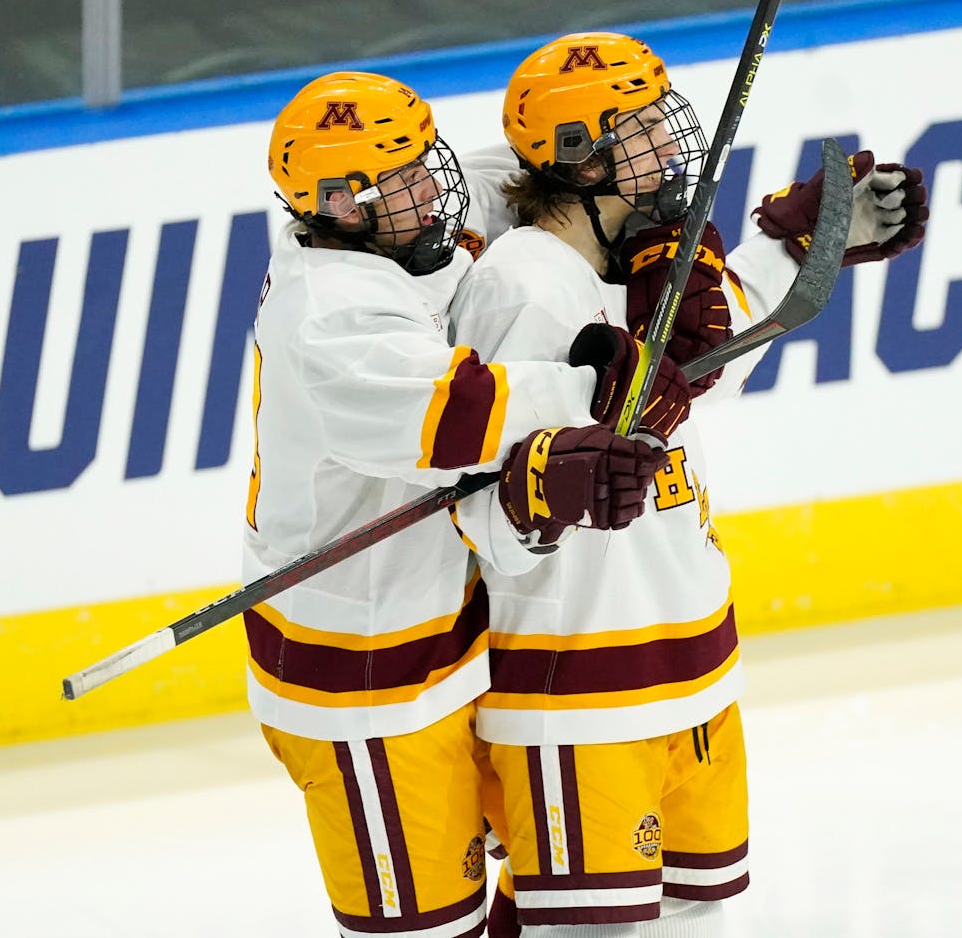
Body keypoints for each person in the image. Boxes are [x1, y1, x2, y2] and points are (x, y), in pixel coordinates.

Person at [446, 33, 927, 937]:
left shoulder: (631, 258)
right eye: (641, 132)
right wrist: (552, 485)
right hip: (579, 684)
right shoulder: (522, 289)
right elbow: (483, 519)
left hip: (694, 663)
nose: (672, 146)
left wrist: (809, 245)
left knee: (694, 917)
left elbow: (705, 362)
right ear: (577, 156)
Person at [243, 70, 694, 938]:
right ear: (339, 207)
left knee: (546, 896)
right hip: (364, 682)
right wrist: (593, 385)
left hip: (448, 639)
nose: (434, 189)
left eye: (423, 162)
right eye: (402, 181)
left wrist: (649, 202)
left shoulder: (397, 232)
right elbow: (461, 413)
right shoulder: (328, 317)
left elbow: (526, 173)